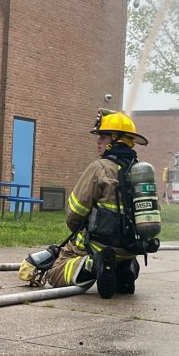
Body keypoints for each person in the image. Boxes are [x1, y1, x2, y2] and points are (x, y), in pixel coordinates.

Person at [40, 110, 159, 298]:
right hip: (130, 249)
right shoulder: (139, 172)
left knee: (56, 272)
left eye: (103, 137)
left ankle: (93, 264)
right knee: (121, 261)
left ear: (116, 140)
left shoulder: (100, 167)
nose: (98, 141)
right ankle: (125, 270)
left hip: (99, 246)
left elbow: (75, 213)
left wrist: (76, 236)